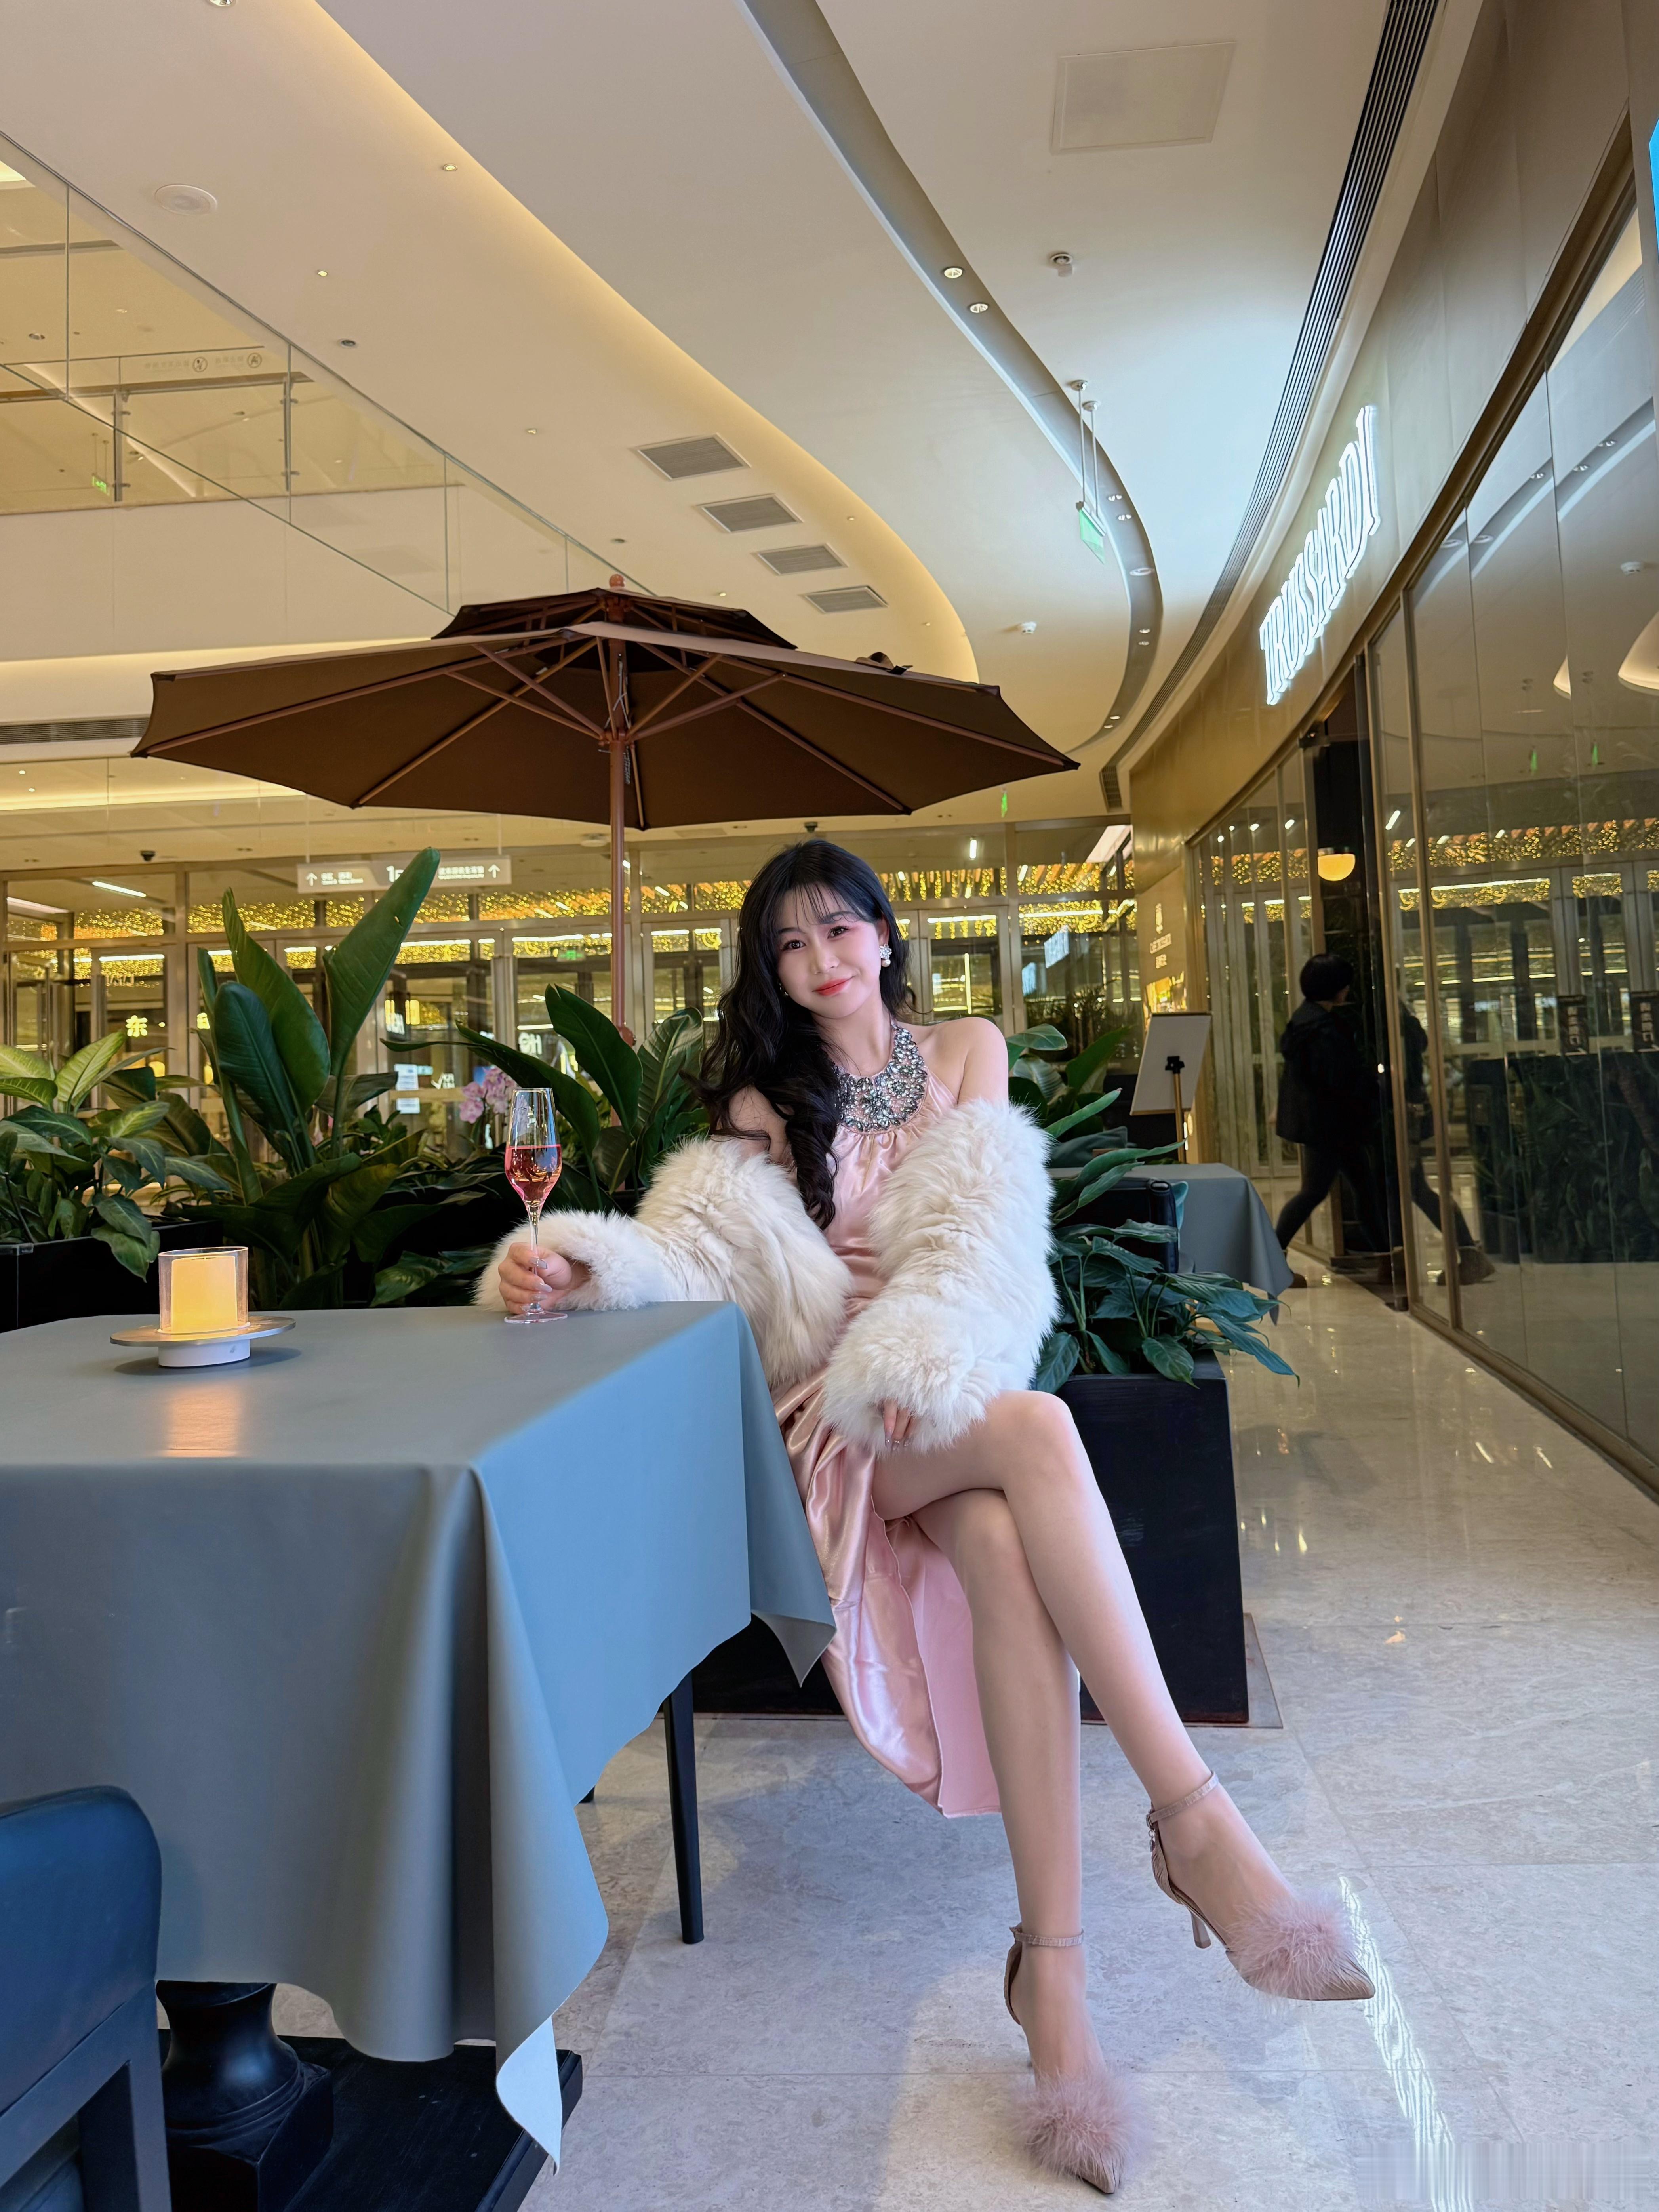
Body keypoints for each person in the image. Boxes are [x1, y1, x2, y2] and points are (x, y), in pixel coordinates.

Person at [481, 840, 1370, 2194]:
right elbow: (690, 1256)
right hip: (827, 1423)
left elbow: (979, 1250)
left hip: (933, 1382)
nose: (820, 960)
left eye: (838, 928)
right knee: (1044, 1429)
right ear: (770, 971)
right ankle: (1194, 1823)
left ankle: (1051, 1986)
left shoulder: (965, 1053)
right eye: (788, 945)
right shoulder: (764, 1101)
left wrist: (924, 1352)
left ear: (884, 933)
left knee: (1005, 1540)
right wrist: (575, 1261)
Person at [1272, 951, 1390, 1259]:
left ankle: (1387, 1256)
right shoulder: (1323, 1030)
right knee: (1318, 1191)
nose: (1348, 989)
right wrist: (1372, 1094)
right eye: (1344, 984)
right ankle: (1273, 1252)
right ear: (1335, 987)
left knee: (1361, 1188)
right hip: (1332, 1125)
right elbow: (1338, 1079)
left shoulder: (1302, 1022)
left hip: (1324, 1123)